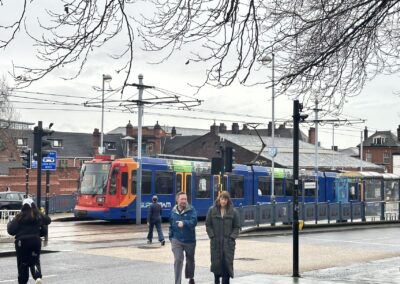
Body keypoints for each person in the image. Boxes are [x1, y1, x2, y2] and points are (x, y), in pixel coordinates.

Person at [7, 198, 51, 284]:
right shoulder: (37, 216)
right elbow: (47, 221)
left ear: (23, 206)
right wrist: (39, 213)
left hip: (22, 243)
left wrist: (9, 222)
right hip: (35, 241)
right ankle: (37, 277)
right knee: (35, 261)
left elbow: (11, 231)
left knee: (23, 263)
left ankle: (23, 281)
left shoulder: (19, 217)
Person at [205, 191, 240, 284]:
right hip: (216, 243)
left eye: (225, 199)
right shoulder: (212, 210)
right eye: (222, 199)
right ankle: (216, 280)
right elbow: (208, 225)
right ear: (219, 199)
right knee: (216, 265)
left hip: (228, 245)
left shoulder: (233, 211)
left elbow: (237, 227)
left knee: (226, 266)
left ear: (228, 200)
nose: (223, 201)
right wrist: (212, 236)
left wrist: (232, 238)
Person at [169, 191, 197, 284]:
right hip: (176, 240)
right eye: (182, 199)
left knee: (190, 261)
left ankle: (190, 277)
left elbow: (194, 222)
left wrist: (184, 223)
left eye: (185, 199)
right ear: (177, 200)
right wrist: (171, 238)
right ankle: (177, 282)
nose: (184, 201)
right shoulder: (173, 211)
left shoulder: (191, 209)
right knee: (178, 260)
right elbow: (171, 225)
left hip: (190, 241)